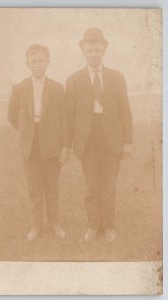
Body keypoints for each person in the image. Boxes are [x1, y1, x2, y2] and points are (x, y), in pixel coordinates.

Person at [66, 28, 133, 242]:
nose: (93, 53)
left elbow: (125, 110)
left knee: (109, 184)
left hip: (111, 138)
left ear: (104, 49)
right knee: (92, 184)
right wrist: (67, 145)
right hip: (86, 140)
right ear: (82, 51)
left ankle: (109, 226)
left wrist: (128, 141)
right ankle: (94, 225)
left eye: (97, 49)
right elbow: (69, 116)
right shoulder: (74, 79)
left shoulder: (116, 77)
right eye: (89, 50)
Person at [7, 44, 69, 241]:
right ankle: (36, 226)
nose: (37, 65)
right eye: (33, 61)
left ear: (48, 62)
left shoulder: (58, 88)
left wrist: (64, 147)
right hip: (29, 147)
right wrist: (27, 132)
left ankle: (55, 224)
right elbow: (12, 116)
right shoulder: (19, 88)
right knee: (33, 188)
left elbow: (64, 120)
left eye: (41, 60)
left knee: (52, 188)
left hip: (51, 146)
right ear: (27, 63)